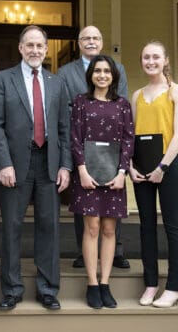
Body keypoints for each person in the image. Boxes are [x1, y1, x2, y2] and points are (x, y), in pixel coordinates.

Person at [0, 25, 72, 311]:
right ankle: (12, 289)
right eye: (30, 45)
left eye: (40, 46)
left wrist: (65, 166)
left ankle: (48, 289)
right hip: (15, 165)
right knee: (11, 227)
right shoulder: (2, 79)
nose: (35, 50)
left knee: (49, 228)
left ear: (46, 50)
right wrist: (4, 163)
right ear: (21, 48)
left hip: (49, 163)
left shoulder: (57, 82)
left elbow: (64, 128)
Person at [58, 25, 130, 269]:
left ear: (101, 41)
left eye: (96, 38)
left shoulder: (117, 68)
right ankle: (84, 252)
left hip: (111, 147)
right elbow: (63, 106)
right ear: (79, 43)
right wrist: (85, 114)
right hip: (82, 141)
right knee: (85, 206)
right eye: (86, 38)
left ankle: (115, 252)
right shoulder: (66, 72)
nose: (91, 41)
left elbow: (123, 104)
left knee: (111, 208)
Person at [70, 55, 134, 308]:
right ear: (91, 75)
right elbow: (75, 137)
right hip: (87, 173)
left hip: (114, 175)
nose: (102, 75)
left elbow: (129, 140)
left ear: (113, 76)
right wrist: (82, 171)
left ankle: (106, 283)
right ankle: (92, 284)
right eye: (97, 71)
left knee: (109, 230)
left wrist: (122, 173)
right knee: (92, 228)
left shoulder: (123, 105)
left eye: (107, 71)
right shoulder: (81, 102)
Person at [129, 41, 178, 308]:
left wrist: (162, 168)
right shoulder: (137, 95)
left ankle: (175, 287)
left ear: (165, 60)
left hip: (168, 168)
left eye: (155, 57)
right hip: (141, 169)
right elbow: (131, 135)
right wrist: (130, 165)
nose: (150, 61)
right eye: (145, 57)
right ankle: (151, 283)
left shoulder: (177, 92)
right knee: (146, 226)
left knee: (172, 225)